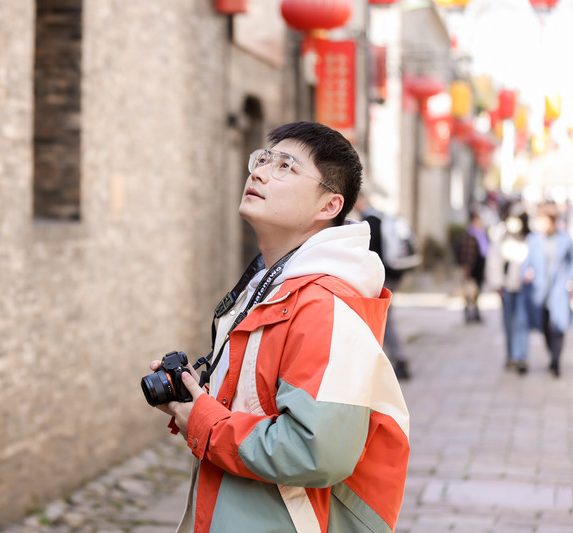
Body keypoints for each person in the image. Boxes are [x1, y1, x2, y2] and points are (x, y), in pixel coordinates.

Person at [148, 122, 410, 532]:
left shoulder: (325, 305)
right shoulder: (270, 288)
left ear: (329, 206)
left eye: (287, 167)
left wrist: (205, 423)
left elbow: (314, 450)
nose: (260, 172)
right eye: (264, 159)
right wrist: (192, 405)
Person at [354, 192, 412, 380]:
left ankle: (399, 360)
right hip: (391, 273)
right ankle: (394, 360)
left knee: (383, 319)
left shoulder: (369, 221)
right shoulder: (380, 218)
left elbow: (370, 253)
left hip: (382, 276)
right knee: (383, 318)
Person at [524, 202, 573, 378]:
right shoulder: (533, 240)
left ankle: (556, 360)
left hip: (559, 289)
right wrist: (527, 274)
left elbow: (571, 261)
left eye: (541, 220)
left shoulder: (565, 239)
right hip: (540, 289)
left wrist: (570, 280)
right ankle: (551, 353)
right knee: (545, 325)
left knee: (559, 325)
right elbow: (526, 263)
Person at [486, 210, 531, 374]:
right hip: (506, 288)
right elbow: (494, 263)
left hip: (522, 288)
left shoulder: (527, 239)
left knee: (522, 321)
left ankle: (521, 356)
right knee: (508, 322)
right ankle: (511, 355)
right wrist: (498, 284)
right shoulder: (501, 240)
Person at [457, 211, 489, 323]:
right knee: (469, 292)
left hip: (479, 267)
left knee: (476, 292)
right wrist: (466, 268)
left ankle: (475, 313)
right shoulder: (470, 235)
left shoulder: (481, 234)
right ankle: (469, 314)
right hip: (472, 267)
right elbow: (466, 253)